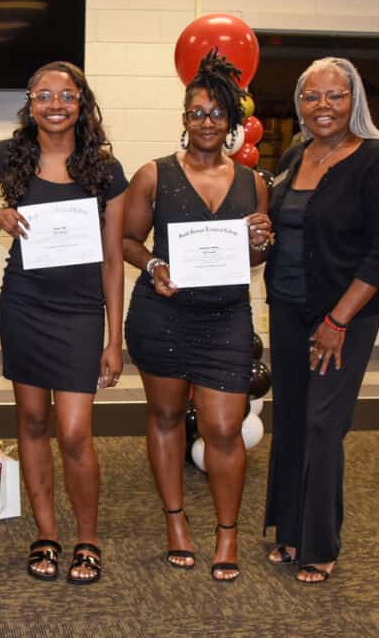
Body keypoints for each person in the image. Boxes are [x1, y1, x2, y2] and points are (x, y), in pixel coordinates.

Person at [0, 61, 126, 585]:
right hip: (25, 305)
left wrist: (115, 338)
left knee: (75, 431)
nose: (55, 104)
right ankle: (47, 533)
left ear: (82, 102)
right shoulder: (7, 155)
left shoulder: (105, 169)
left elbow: (112, 259)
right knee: (33, 422)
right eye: (44, 94)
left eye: (66, 95)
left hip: (82, 312)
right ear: (30, 101)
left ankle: (88, 538)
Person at [122, 50, 272, 582]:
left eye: (216, 113)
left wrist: (260, 243)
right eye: (196, 112)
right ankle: (175, 522)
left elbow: (252, 259)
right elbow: (125, 240)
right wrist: (155, 263)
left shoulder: (253, 183)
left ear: (231, 120)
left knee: (224, 428)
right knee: (165, 419)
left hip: (226, 317)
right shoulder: (154, 175)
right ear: (184, 118)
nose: (206, 122)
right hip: (162, 315)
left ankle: (227, 533)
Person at [263, 57, 379, 584]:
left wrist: (338, 320)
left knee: (325, 426)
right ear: (299, 104)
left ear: (355, 101)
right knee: (294, 419)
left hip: (344, 315)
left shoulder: (378, 160)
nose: (322, 106)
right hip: (287, 307)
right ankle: (290, 531)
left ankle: (320, 543)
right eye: (311, 96)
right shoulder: (296, 155)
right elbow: (290, 229)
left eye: (335, 96)